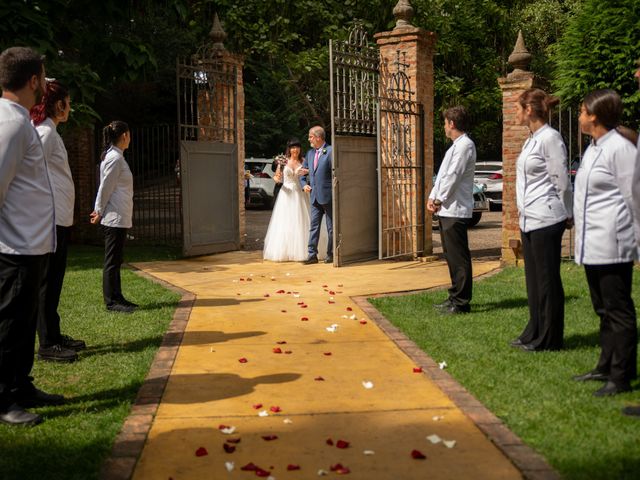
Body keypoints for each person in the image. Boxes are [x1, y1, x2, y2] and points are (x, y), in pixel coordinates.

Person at [0, 47, 65, 426]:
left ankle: (21, 386)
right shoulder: (9, 123)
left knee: (24, 323)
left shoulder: (19, 119)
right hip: (15, 247)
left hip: (31, 244)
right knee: (9, 323)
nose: (46, 83)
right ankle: (3, 397)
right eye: (43, 76)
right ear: (33, 80)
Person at [572, 89, 638, 397]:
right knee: (602, 309)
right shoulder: (594, 148)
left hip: (613, 243)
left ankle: (622, 375)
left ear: (595, 114)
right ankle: (605, 365)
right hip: (593, 243)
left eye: (583, 111)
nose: (579, 116)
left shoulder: (620, 149)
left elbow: (634, 197)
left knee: (618, 309)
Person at [30, 80, 86, 363]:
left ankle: (54, 332)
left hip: (58, 219)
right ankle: (47, 342)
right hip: (50, 220)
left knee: (55, 280)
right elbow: (30, 173)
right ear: (58, 105)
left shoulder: (51, 132)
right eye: (68, 102)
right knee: (48, 282)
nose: (70, 108)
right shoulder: (44, 133)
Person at [511, 89, 571, 352]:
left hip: (548, 218)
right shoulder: (531, 139)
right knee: (533, 281)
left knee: (547, 281)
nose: (515, 113)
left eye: (517, 108)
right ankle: (534, 329)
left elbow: (561, 180)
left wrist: (569, 213)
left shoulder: (551, 138)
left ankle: (550, 337)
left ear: (529, 110)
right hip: (530, 219)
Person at [427, 106, 476, 314]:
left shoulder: (465, 146)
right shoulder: (456, 146)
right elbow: (443, 175)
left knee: (459, 257)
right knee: (451, 257)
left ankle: (461, 302)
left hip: (455, 209)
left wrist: (439, 199)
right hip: (447, 209)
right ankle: (454, 295)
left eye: (445, 123)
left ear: (452, 124)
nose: (444, 127)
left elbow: (453, 176)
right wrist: (432, 195)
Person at [90, 121, 137, 314]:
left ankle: (118, 297)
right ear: (124, 135)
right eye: (129, 134)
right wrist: (98, 211)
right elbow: (105, 187)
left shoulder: (117, 157)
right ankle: (111, 301)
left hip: (120, 216)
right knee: (111, 261)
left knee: (117, 260)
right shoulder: (114, 159)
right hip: (113, 218)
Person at [263, 138, 311, 261]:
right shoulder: (283, 162)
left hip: (301, 194)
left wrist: (307, 173)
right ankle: (285, 251)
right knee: (286, 222)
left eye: (297, 147)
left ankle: (304, 250)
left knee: (301, 221)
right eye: (292, 147)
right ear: (289, 149)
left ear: (300, 149)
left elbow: (309, 175)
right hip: (286, 194)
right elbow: (276, 178)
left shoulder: (304, 161)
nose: (295, 150)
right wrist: (278, 178)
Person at [303, 126, 333, 265]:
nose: (309, 139)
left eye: (310, 136)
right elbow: (302, 172)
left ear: (318, 137)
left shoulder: (331, 151)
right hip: (314, 196)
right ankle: (311, 255)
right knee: (314, 226)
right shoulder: (309, 153)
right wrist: (304, 184)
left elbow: (336, 173)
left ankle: (331, 254)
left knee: (331, 227)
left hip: (328, 196)